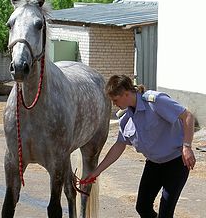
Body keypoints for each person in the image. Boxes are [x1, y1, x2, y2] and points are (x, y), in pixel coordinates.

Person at [83, 74, 196, 218]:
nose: (114, 104)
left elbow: (188, 116)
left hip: (176, 163)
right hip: (154, 164)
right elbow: (118, 146)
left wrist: (187, 146)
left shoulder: (155, 101)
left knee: (166, 211)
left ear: (125, 93)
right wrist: (96, 172)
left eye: (115, 100)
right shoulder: (126, 119)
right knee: (142, 207)